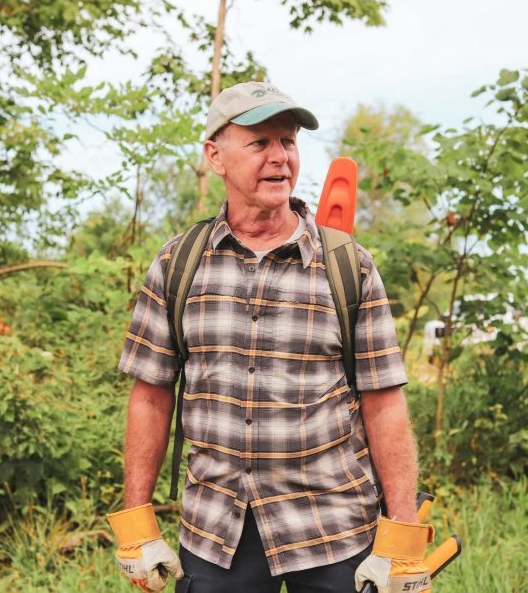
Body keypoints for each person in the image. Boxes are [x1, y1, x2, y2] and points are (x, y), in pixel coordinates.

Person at [106, 82, 428, 593]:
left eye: (288, 141)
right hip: (217, 530)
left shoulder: (349, 266)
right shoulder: (177, 264)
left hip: (333, 526)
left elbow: (384, 403)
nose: (280, 157)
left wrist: (402, 539)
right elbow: (150, 395)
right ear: (215, 156)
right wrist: (136, 525)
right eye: (260, 143)